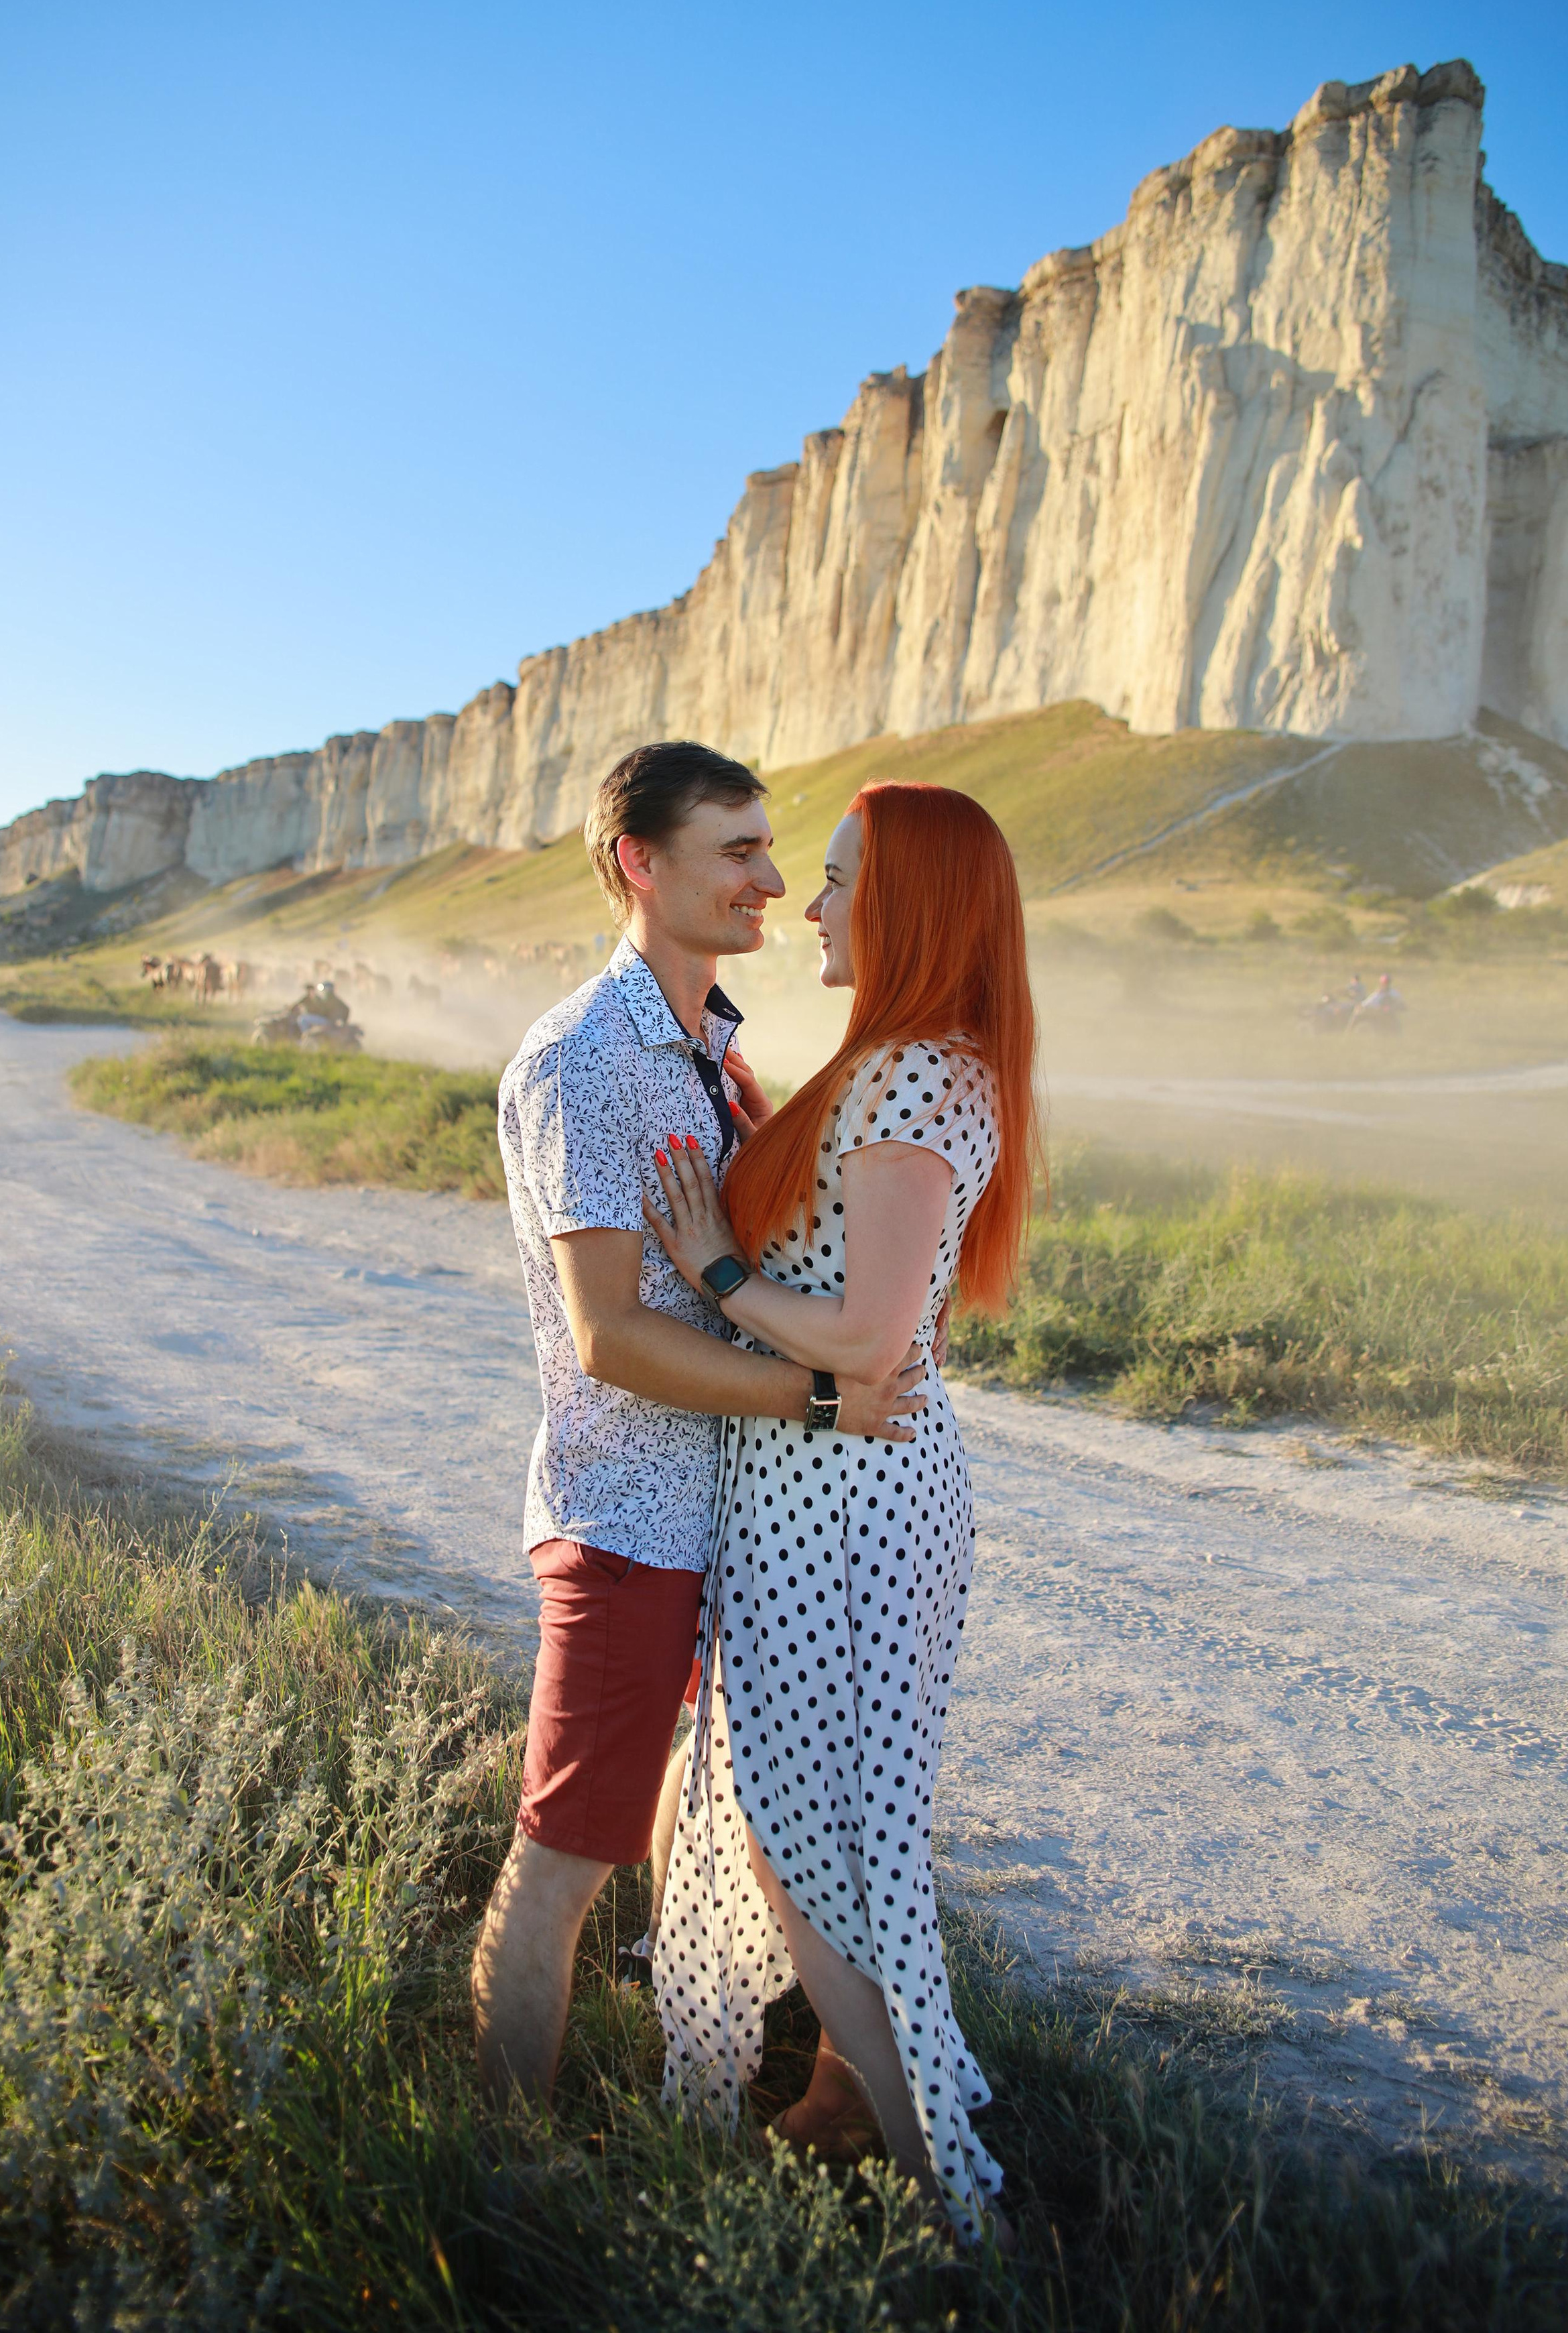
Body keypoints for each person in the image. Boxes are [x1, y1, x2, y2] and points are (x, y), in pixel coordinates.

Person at [474, 743, 927, 2109]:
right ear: (639, 862)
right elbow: (610, 1336)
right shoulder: (586, 1061)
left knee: (728, 1800)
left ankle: (707, 2055)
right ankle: (496, 2161)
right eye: (736, 849)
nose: (772, 880)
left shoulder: (705, 1047)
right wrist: (823, 1396)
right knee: (562, 1858)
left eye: (770, 849)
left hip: (728, 1516)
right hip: (631, 1527)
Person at [644, 781, 1038, 2245]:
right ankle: (876, 2114)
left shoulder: (916, 1076)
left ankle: (944, 2195)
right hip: (835, 1495)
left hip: (846, 1504)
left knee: (809, 1845)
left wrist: (717, 1272)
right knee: (822, 1833)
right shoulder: (908, 1066)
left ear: (910, 903)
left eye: (835, 878)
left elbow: (871, 1339)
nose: (807, 904)